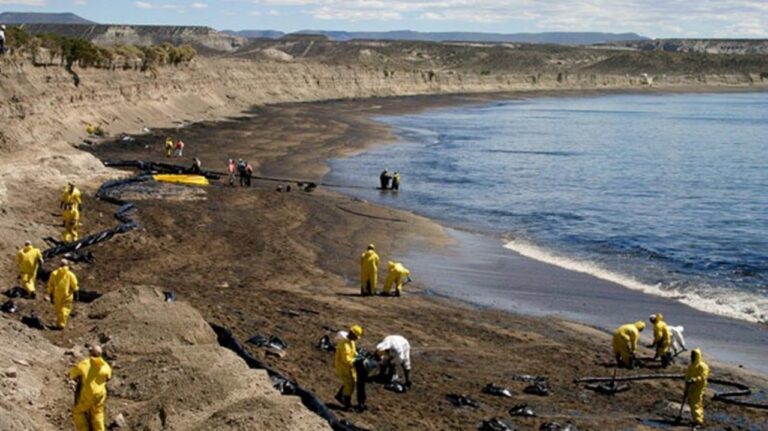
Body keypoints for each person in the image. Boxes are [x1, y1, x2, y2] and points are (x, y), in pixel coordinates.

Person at [69, 345, 112, 431]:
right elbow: (108, 377)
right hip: (100, 396)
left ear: (90, 353)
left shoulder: (84, 364)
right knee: (98, 414)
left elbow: (72, 374)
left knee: (78, 412)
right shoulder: (106, 366)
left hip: (88, 395)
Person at [334, 325, 364, 411]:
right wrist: (356, 360)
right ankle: (347, 404)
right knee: (349, 384)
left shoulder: (351, 342)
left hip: (349, 366)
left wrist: (358, 356)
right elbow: (346, 360)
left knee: (351, 381)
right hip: (343, 366)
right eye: (356, 337)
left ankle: (340, 396)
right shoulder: (344, 345)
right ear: (352, 334)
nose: (356, 339)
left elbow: (354, 352)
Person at [46, 259, 79, 329]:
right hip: (67, 295)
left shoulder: (54, 274)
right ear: (67, 265)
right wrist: (76, 293)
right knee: (65, 309)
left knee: (58, 309)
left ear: (59, 265)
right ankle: (61, 324)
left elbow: (51, 284)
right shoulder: (70, 274)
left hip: (57, 295)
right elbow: (74, 284)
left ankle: (60, 324)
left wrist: (50, 293)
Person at [685, 348, 710, 428]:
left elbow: (703, 377)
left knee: (696, 403)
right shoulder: (691, 366)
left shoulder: (703, 366)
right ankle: (695, 419)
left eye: (693, 355)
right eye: (691, 355)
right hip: (691, 386)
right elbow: (688, 375)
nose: (691, 357)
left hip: (699, 387)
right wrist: (687, 382)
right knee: (691, 402)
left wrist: (694, 380)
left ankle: (698, 421)